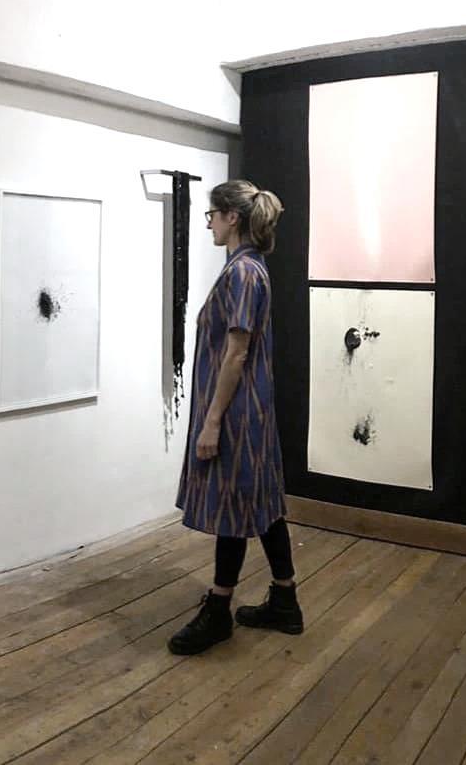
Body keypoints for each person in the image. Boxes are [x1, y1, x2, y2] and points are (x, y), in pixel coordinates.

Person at [168, 179, 300, 656]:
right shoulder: (250, 268)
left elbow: (236, 352)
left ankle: (219, 609)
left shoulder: (243, 272)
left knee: (232, 505)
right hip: (250, 407)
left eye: (212, 216)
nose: (209, 224)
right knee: (261, 502)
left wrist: (212, 420)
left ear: (232, 218)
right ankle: (284, 599)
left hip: (237, 410)